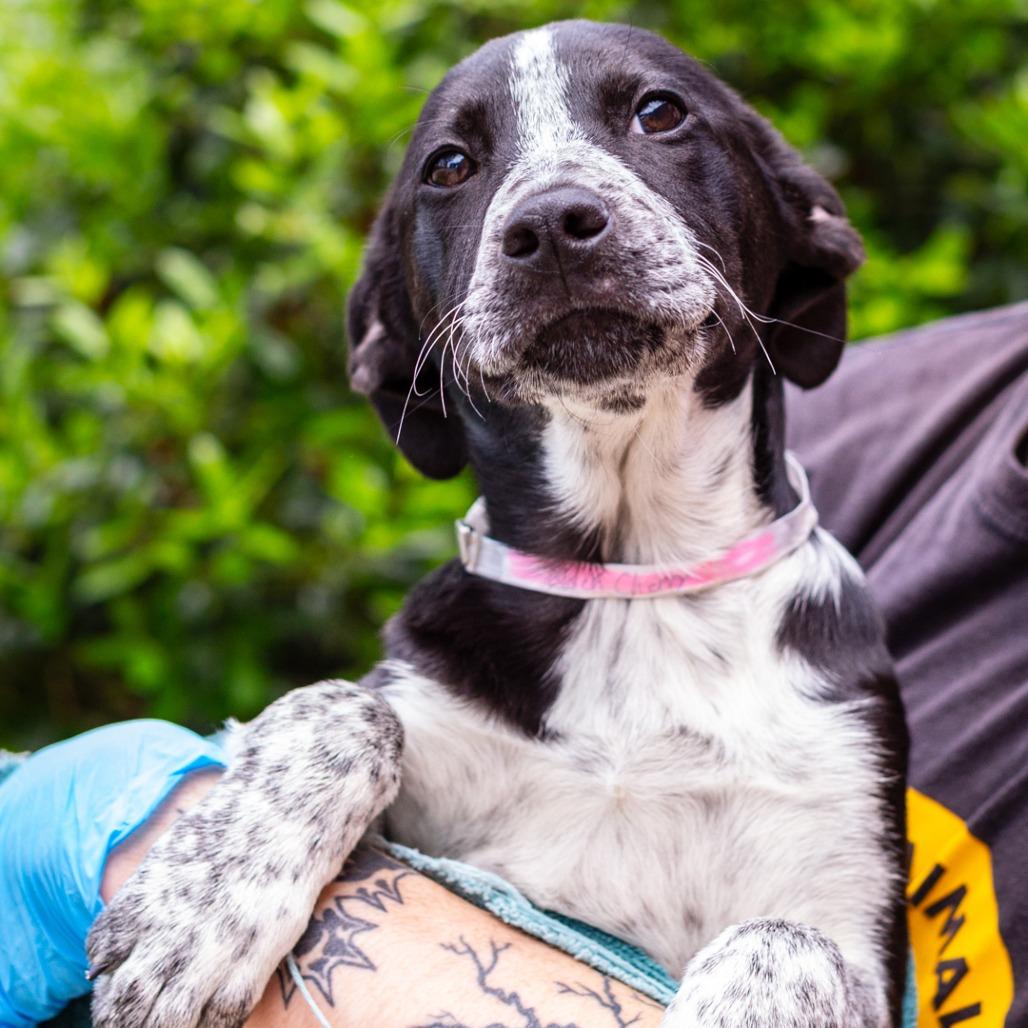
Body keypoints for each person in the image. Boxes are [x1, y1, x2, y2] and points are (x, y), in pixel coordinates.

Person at [2, 303, 1026, 1028]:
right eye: (458, 169)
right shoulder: (858, 407)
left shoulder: (824, 652)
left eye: (656, 118)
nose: (554, 207)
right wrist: (262, 773)